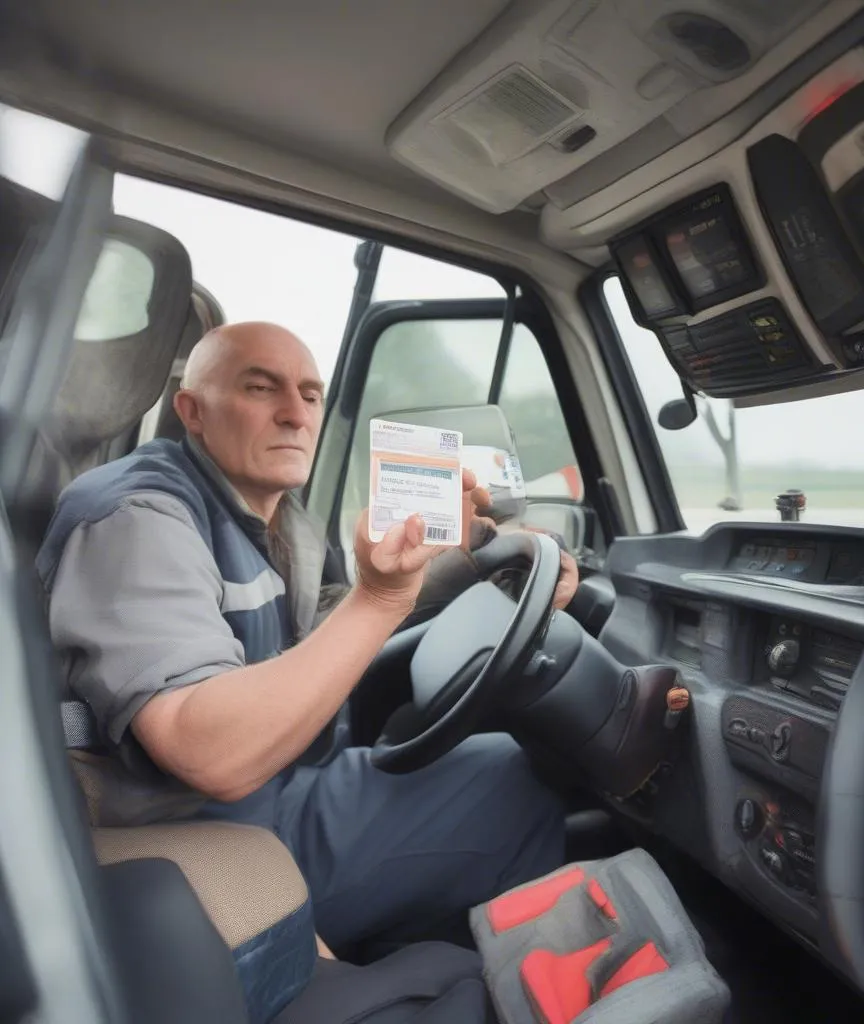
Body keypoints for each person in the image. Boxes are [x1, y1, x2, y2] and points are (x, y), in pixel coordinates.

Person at [37, 320, 575, 957]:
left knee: (512, 772)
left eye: (311, 395)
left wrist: (480, 564)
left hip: (292, 779)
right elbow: (206, 750)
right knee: (521, 795)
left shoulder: (279, 516)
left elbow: (320, 625)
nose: (295, 414)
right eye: (261, 389)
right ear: (192, 411)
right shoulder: (137, 516)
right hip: (197, 827)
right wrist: (379, 598)